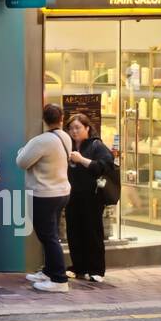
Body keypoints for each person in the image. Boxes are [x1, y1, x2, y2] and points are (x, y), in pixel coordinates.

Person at [17, 103, 73, 293]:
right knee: (51, 235)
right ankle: (49, 271)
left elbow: (22, 162)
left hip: (45, 194)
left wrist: (21, 151)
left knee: (48, 237)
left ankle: (59, 279)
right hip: (61, 192)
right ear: (62, 118)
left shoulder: (41, 141)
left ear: (44, 119)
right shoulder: (65, 136)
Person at [64, 111, 114, 283]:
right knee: (73, 231)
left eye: (78, 128)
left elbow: (105, 165)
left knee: (92, 232)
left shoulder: (96, 145)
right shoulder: (68, 145)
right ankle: (78, 266)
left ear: (87, 128)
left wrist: (82, 160)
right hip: (72, 195)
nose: (74, 131)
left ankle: (96, 269)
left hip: (92, 196)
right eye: (71, 128)